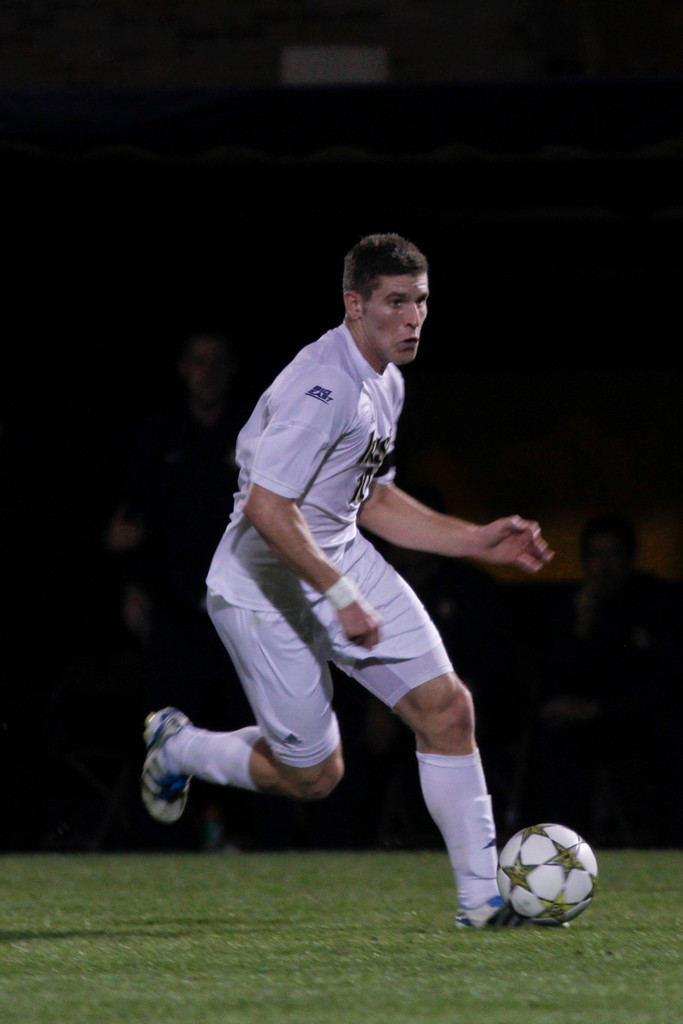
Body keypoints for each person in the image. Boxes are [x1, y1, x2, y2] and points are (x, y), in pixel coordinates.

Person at [140, 233, 554, 925]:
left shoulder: (386, 379)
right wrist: (340, 595)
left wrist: (474, 540)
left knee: (448, 710)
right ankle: (180, 746)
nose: (412, 318)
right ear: (353, 303)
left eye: (420, 301)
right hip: (261, 583)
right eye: (395, 302)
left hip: (335, 555)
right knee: (314, 776)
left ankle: (482, 901)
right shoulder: (322, 383)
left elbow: (373, 500)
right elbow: (268, 511)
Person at [525, 514, 683, 845]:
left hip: (638, 720)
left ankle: (666, 843)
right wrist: (581, 628)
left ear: (629, 557)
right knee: (552, 737)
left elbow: (663, 682)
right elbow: (553, 678)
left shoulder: (656, 602)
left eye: (613, 555)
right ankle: (560, 846)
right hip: (587, 728)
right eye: (595, 556)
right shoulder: (572, 607)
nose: (603, 566)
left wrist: (599, 708)